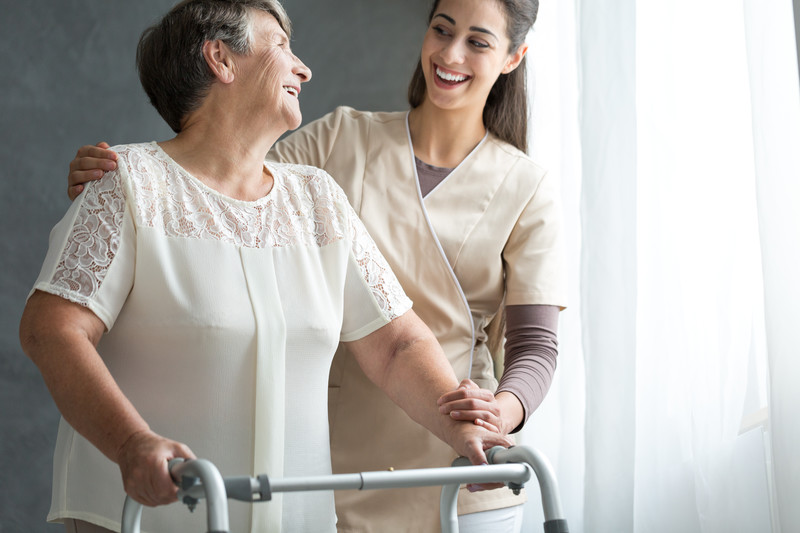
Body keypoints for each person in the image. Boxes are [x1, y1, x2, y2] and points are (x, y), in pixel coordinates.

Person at [66, 0, 566, 531]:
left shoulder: (526, 186)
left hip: (458, 453)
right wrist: (124, 180)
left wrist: (493, 417)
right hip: (339, 465)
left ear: (514, 58)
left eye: (478, 41)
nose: (450, 52)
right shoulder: (340, 143)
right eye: (441, 29)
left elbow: (526, 345)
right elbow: (219, 175)